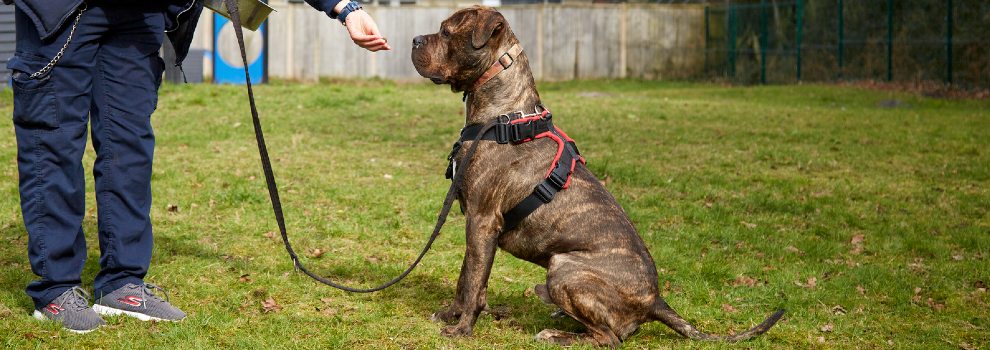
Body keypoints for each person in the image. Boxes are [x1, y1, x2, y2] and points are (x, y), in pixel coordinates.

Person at [7, 0, 389, 334]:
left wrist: (343, 7)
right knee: (52, 143)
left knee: (130, 148)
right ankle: (56, 288)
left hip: (140, 15)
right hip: (65, 11)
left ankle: (122, 283)